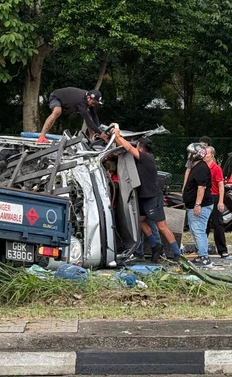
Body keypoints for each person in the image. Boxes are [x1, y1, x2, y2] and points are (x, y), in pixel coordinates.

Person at [112, 128, 181, 261]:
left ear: (141, 148)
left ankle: (177, 253)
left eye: (137, 145)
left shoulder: (146, 157)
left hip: (153, 197)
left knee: (162, 226)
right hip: (143, 197)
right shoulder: (140, 159)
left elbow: (127, 146)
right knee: (139, 221)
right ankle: (155, 245)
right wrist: (113, 138)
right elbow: (123, 147)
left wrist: (117, 134)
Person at [182, 142, 213, 267]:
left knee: (199, 230)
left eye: (190, 153)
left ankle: (204, 257)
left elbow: (201, 188)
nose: (188, 155)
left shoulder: (201, 168)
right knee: (196, 230)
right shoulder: (197, 167)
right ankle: (201, 254)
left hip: (201, 205)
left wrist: (197, 204)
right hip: (195, 204)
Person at [36, 88, 105, 145]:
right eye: (93, 103)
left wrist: (99, 130)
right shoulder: (81, 101)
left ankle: (92, 138)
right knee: (57, 111)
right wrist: (100, 133)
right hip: (56, 97)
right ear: (88, 98)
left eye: (95, 104)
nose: (93, 105)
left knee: (90, 114)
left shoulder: (89, 99)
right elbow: (87, 120)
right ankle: (41, 137)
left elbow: (94, 115)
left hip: (68, 104)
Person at [205, 147, 229, 259]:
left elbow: (220, 185)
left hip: (214, 197)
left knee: (217, 224)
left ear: (212, 155)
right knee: (203, 224)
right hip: (204, 198)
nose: (205, 155)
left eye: (207, 153)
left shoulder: (216, 168)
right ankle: (202, 248)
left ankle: (222, 249)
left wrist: (220, 201)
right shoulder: (201, 167)